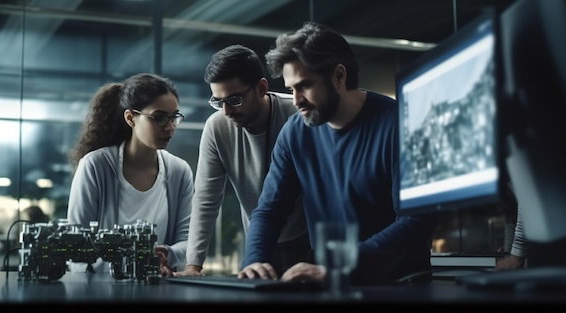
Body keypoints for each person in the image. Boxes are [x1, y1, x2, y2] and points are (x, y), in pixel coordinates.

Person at [238, 22, 438, 286]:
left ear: (339, 76)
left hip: (400, 284)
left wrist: (342, 264)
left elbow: (417, 221)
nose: (296, 100)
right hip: (329, 282)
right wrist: (254, 260)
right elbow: (269, 211)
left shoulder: (402, 124)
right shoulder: (294, 132)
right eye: (291, 89)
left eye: (305, 85)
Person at [176, 44, 310, 277]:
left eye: (235, 99)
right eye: (218, 101)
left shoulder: (298, 116)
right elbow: (206, 199)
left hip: (308, 239)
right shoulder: (217, 127)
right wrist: (193, 265)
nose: (226, 111)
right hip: (258, 244)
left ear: (261, 88)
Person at [66, 73, 193, 277]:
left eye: (174, 117)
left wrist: (165, 254)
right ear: (130, 118)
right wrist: (133, 263)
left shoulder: (179, 171)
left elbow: (188, 242)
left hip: (158, 289)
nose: (169, 127)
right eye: (159, 117)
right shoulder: (95, 166)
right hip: (100, 290)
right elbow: (77, 246)